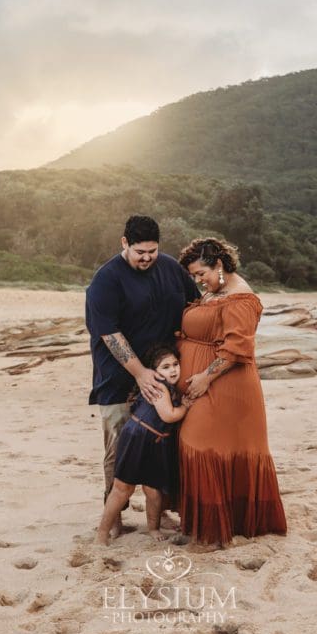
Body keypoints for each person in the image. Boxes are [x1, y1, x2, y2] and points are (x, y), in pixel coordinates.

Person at [86, 215, 200, 537]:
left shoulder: (169, 268)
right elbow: (109, 334)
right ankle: (115, 517)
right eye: (140, 252)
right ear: (124, 243)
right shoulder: (106, 280)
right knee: (119, 450)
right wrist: (139, 373)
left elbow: (195, 306)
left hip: (165, 376)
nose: (147, 258)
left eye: (152, 250)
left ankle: (160, 511)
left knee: (161, 447)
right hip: (118, 380)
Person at [175, 237, 287, 547]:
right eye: (194, 277)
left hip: (227, 385)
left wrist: (205, 378)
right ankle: (208, 525)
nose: (198, 281)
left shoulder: (241, 298)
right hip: (209, 381)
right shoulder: (217, 292)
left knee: (198, 443)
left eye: (201, 274)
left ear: (219, 264)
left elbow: (238, 347)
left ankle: (218, 528)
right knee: (202, 447)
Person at [96, 343, 191, 545]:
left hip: (155, 442)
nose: (173, 369)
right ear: (154, 372)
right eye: (165, 367)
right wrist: (184, 407)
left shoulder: (171, 387)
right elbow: (169, 415)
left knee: (153, 491)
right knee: (122, 488)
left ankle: (153, 527)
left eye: (175, 364)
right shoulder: (159, 386)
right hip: (138, 439)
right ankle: (102, 533)